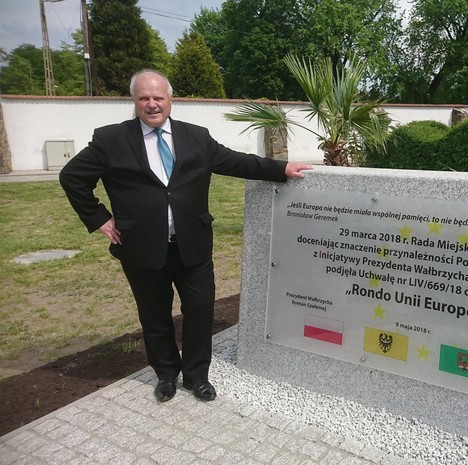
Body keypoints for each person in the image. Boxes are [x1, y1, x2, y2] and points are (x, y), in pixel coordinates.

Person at [60, 69, 312, 403]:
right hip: (141, 248)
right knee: (154, 316)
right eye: (144, 98)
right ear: (134, 101)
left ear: (170, 99)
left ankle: (196, 376)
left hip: (192, 245)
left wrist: (280, 168)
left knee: (200, 310)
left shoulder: (196, 136)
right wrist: (100, 219)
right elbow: (72, 177)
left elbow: (235, 162)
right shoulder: (111, 140)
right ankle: (166, 374)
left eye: (158, 97)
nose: (152, 104)